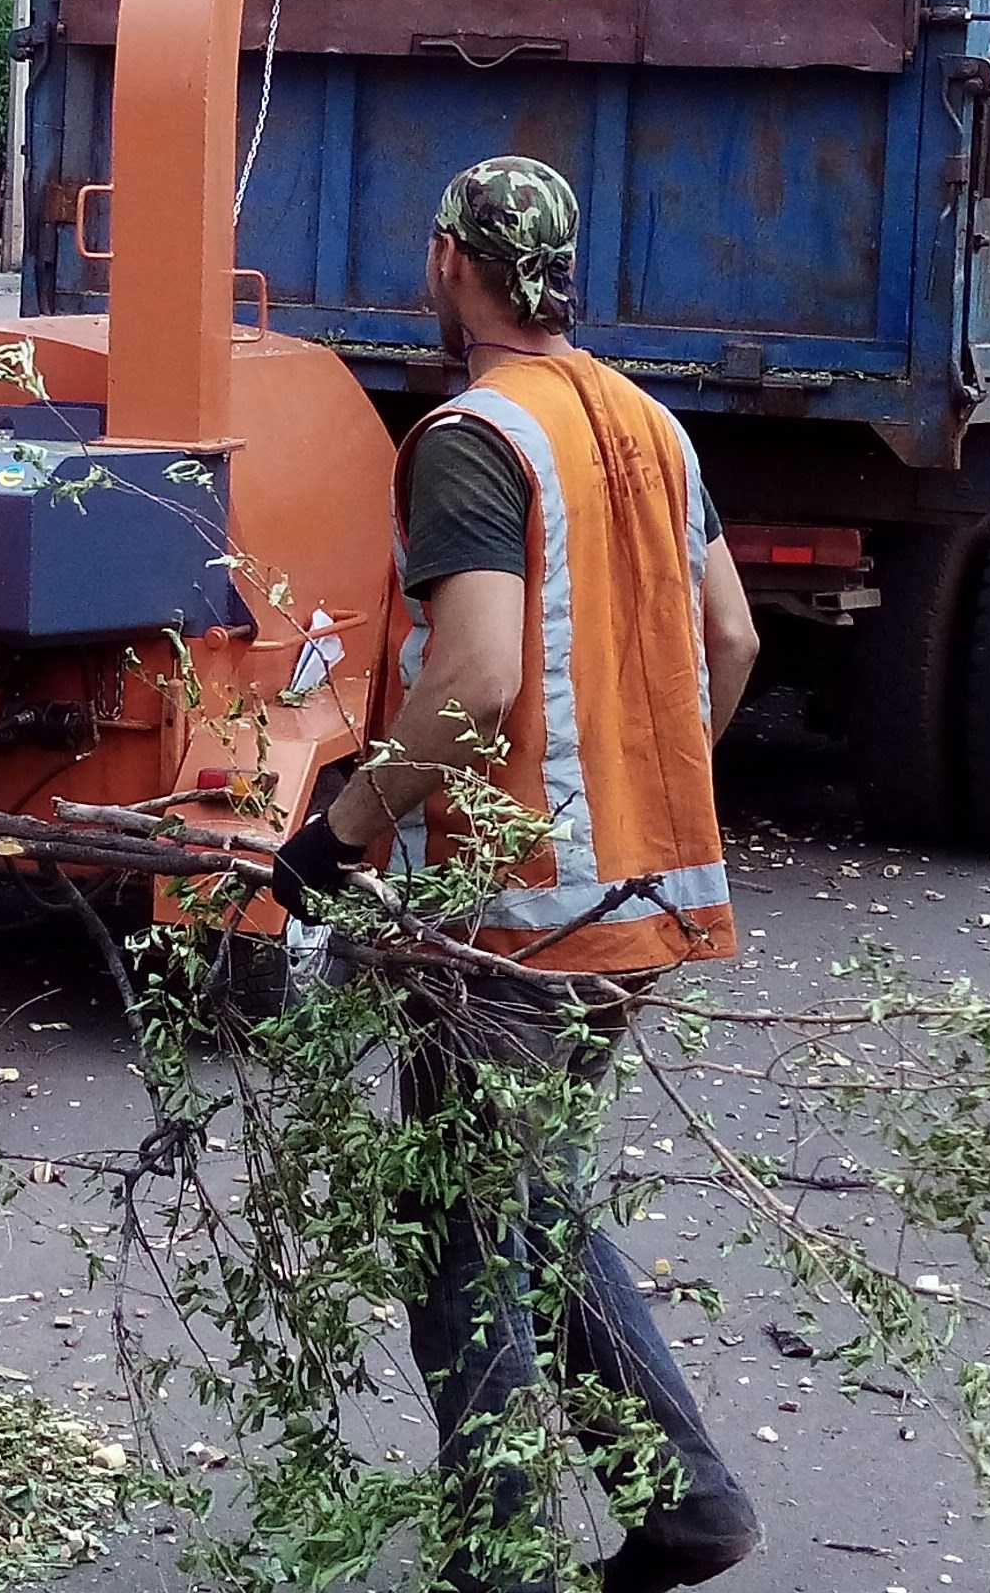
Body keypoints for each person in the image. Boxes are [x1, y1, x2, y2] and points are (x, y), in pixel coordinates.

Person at [269, 154, 767, 1593]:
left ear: (449, 266)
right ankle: (678, 1504)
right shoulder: (649, 424)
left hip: (513, 921)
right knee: (520, 1197)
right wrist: (642, 799)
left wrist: (343, 831)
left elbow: (479, 676)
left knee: (460, 1234)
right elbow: (730, 643)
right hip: (642, 903)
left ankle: (514, 1557)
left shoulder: (475, 437)